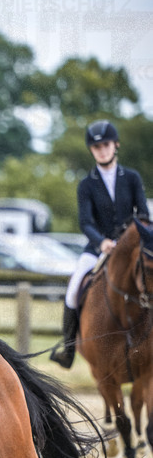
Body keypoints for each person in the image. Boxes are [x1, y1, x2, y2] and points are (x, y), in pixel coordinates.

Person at [51, 120, 149, 369]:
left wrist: (132, 238)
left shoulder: (132, 178)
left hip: (131, 248)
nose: (102, 150)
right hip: (98, 248)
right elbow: (85, 222)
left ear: (115, 145)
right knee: (74, 289)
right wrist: (102, 242)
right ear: (91, 150)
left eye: (105, 145)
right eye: (96, 147)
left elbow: (144, 215)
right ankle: (68, 348)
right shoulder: (87, 184)